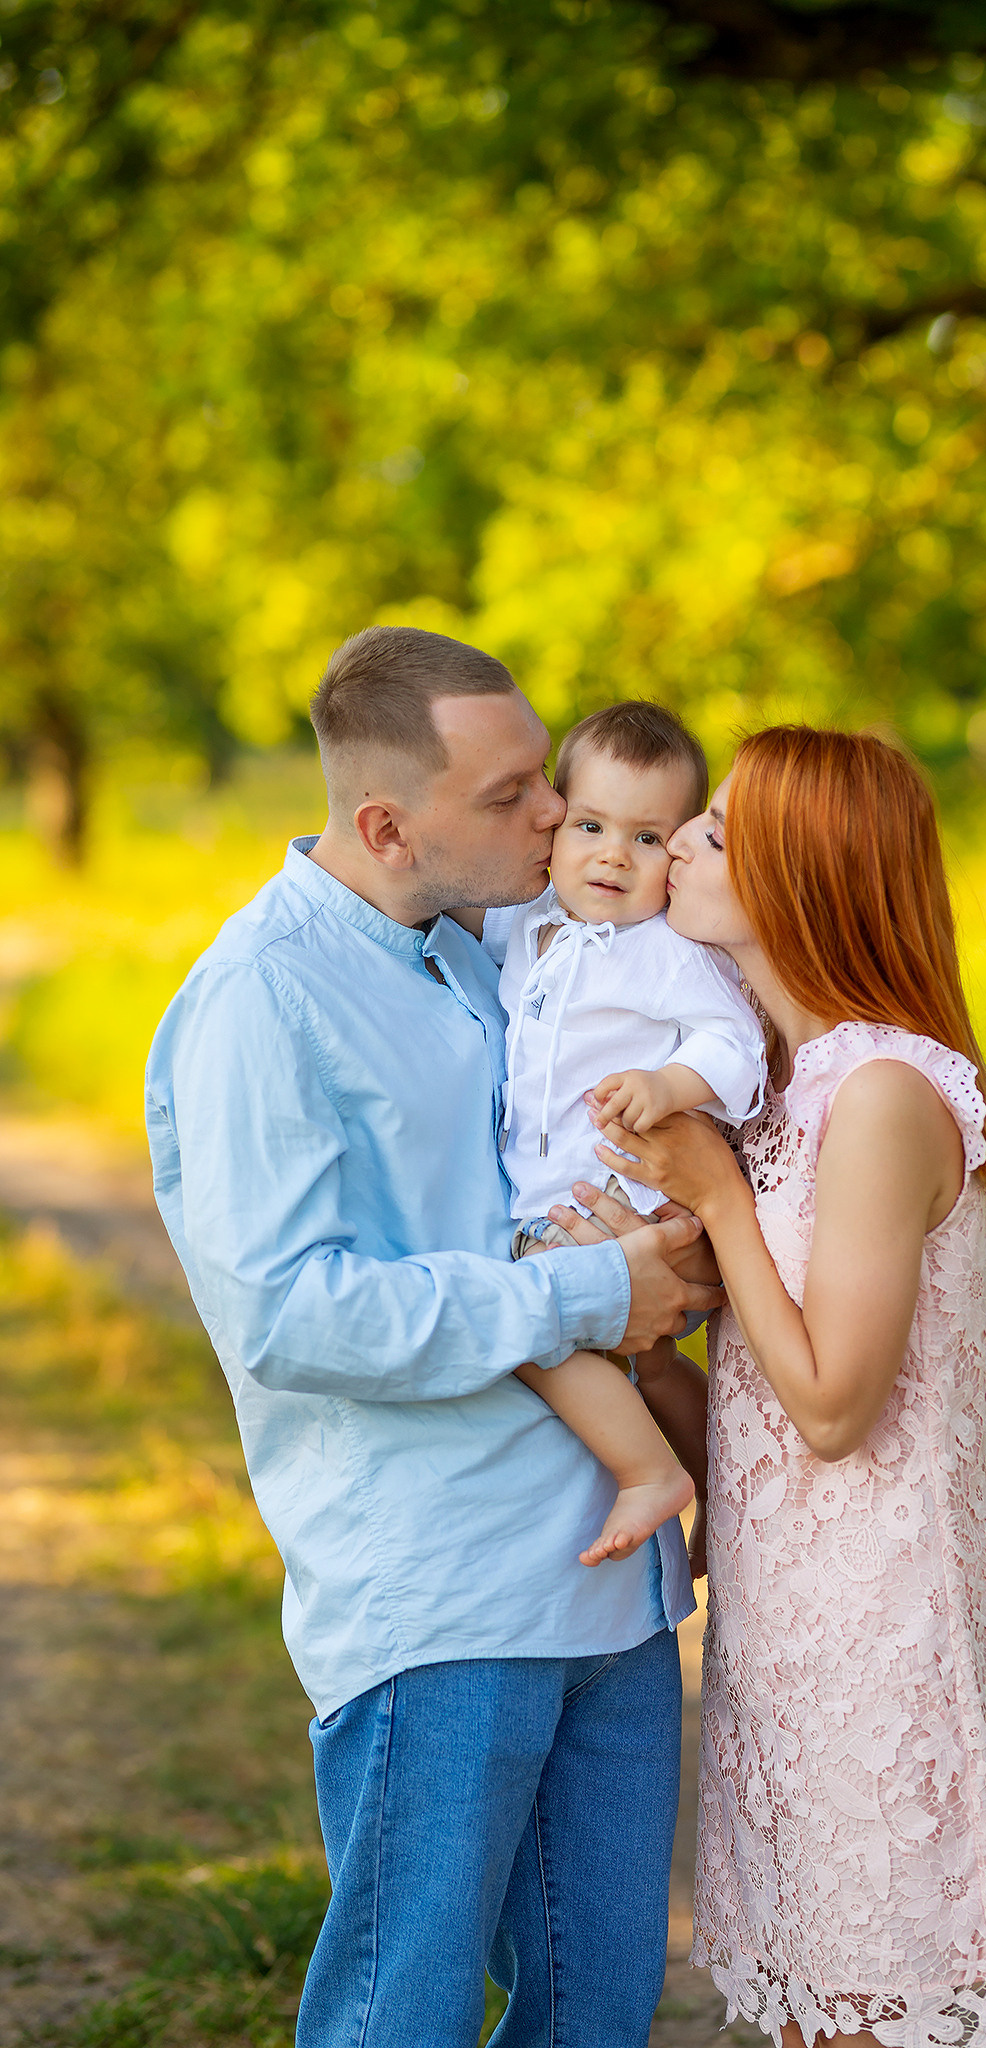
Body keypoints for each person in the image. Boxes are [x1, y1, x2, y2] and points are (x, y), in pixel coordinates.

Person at [144, 625, 723, 2048]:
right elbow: (290, 1311)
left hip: (613, 1585)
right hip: (443, 1603)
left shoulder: (497, 950)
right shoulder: (259, 1000)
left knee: (597, 2018)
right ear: (389, 823)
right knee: (400, 2017)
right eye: (517, 791)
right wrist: (592, 1294)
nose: (553, 815)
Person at [561, 727, 986, 2048]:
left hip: (883, 1631)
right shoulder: (784, 1086)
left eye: (714, 833)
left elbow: (833, 1408)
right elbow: (756, 1409)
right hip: (786, 1622)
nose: (674, 848)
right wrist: (642, 1339)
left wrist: (715, 1197)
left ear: (799, 877)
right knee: (801, 2012)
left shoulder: (884, 1093)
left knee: (869, 2012)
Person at [488, 700, 766, 1567]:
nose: (613, 853)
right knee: (638, 1363)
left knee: (533, 1326)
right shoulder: (526, 927)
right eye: (591, 825)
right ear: (554, 825)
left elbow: (736, 1044)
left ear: (677, 855)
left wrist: (667, 1082)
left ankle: (650, 1473)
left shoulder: (664, 951)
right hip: (551, 1193)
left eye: (647, 838)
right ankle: (723, 1496)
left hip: (615, 1197)